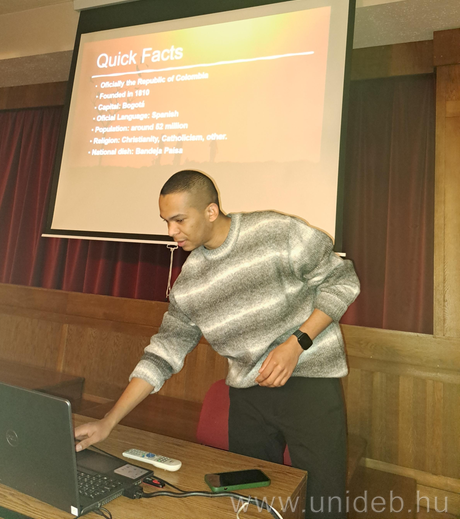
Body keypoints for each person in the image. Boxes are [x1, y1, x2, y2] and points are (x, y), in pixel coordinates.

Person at [75, 170, 360, 519]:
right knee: (249, 504)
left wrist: (296, 344)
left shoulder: (275, 231)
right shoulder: (189, 284)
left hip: (311, 382)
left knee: (324, 505)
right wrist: (108, 421)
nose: (171, 231)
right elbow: (162, 354)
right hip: (248, 396)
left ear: (210, 211)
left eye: (179, 220)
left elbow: (342, 281)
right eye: (166, 222)